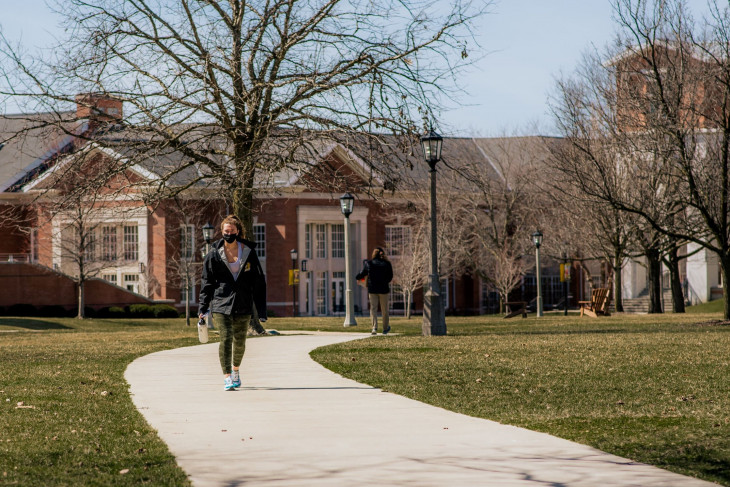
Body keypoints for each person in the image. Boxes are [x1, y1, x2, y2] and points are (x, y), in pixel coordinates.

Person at [199, 215, 267, 390]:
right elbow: (207, 282)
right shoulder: (214, 254)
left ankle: (236, 370)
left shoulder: (248, 252)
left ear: (238, 231)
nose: (228, 234)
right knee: (226, 337)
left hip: (243, 302)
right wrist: (203, 307)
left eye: (231, 231)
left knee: (240, 341)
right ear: (221, 232)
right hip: (221, 302)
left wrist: (261, 309)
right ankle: (227, 376)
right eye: (225, 231)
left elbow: (258, 281)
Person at [356, 247, 393, 335]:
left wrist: (357, 277)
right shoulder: (387, 264)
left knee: (373, 309)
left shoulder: (369, 264)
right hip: (384, 290)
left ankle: (374, 328)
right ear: (382, 254)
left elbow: (362, 274)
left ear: (373, 254)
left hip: (372, 289)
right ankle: (385, 328)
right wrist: (384, 282)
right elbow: (390, 276)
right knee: (385, 310)